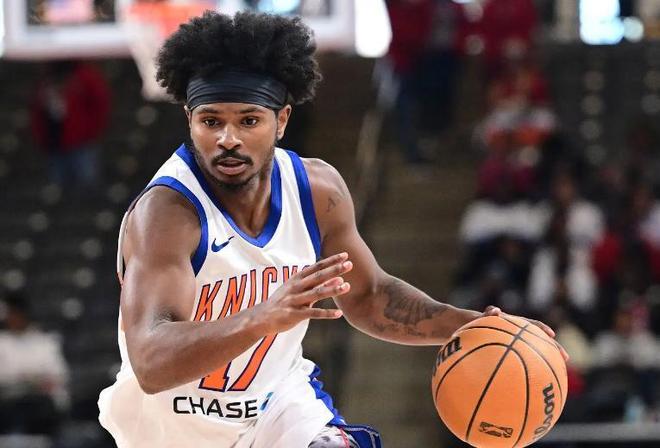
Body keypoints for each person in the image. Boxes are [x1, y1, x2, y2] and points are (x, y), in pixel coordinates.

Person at [98, 11, 564, 448]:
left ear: (282, 120)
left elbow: (370, 295)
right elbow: (151, 361)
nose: (228, 139)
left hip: (276, 407)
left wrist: (474, 326)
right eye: (211, 121)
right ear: (190, 120)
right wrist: (262, 317)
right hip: (171, 426)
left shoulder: (317, 191)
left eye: (249, 120)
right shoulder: (167, 214)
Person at [0, 292, 69, 435]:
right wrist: (28, 378)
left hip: (42, 404)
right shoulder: (2, 342)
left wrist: (34, 380)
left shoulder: (44, 341)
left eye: (15, 314)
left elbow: (59, 375)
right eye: (10, 315)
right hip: (9, 403)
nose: (13, 319)